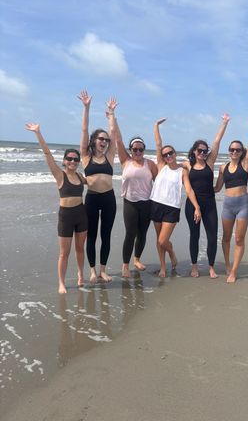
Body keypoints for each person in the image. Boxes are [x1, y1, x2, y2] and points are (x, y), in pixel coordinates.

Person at [25, 123, 87, 294]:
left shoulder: (81, 176)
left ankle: (81, 274)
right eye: (70, 159)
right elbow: (47, 154)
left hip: (81, 215)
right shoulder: (60, 175)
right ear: (65, 161)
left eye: (76, 159)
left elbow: (96, 181)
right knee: (64, 253)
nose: (73, 161)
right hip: (66, 217)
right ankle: (61, 282)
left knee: (80, 248)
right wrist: (38, 133)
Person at [108, 100, 158, 278]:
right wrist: (112, 115)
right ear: (130, 150)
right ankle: (125, 266)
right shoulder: (125, 161)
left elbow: (161, 181)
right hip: (130, 202)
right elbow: (117, 139)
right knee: (130, 233)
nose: (138, 152)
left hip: (146, 203)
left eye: (141, 149)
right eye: (135, 149)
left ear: (144, 149)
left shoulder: (150, 164)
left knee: (142, 233)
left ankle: (137, 259)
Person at [215, 113, 248, 283]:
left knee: (238, 239)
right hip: (228, 205)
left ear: (241, 152)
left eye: (237, 149)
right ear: (228, 152)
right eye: (232, 149)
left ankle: (234, 270)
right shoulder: (223, 167)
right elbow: (216, 188)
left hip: (243, 204)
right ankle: (228, 265)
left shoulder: (245, 164)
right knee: (226, 238)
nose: (234, 151)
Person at [151, 118, 201, 278]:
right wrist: (156, 126)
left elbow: (189, 190)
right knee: (158, 239)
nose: (167, 156)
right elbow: (159, 144)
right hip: (156, 204)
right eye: (165, 155)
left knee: (163, 241)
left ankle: (171, 253)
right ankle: (163, 267)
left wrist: (197, 207)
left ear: (175, 154)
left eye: (170, 153)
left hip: (172, 207)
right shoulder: (161, 166)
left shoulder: (182, 171)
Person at [184, 114, 230, 278]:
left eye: (205, 151)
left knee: (212, 237)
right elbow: (187, 188)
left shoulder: (210, 163)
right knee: (194, 236)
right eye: (199, 150)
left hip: (209, 205)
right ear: (194, 151)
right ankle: (195, 267)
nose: (202, 153)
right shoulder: (187, 166)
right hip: (192, 206)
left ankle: (211, 267)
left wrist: (224, 123)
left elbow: (216, 142)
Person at [78, 90, 116, 284]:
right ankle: (92, 271)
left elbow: (114, 134)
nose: (104, 141)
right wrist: (86, 107)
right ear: (94, 141)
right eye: (101, 139)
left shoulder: (109, 156)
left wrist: (111, 115)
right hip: (92, 198)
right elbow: (84, 131)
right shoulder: (86, 156)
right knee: (92, 236)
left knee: (106, 235)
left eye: (106, 140)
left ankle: (103, 270)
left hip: (109, 198)